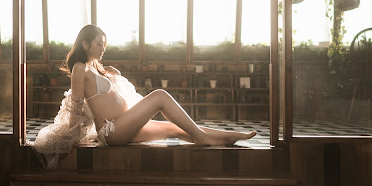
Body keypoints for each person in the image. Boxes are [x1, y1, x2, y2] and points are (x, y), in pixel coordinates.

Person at [61, 24, 257, 147]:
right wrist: (70, 138)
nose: (103, 48)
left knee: (174, 127)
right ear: (84, 44)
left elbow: (107, 93)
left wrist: (112, 73)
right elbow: (75, 105)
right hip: (111, 131)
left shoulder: (95, 67)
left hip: (123, 125)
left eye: (104, 44)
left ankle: (227, 137)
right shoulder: (80, 68)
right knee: (160, 96)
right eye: (99, 44)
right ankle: (204, 138)